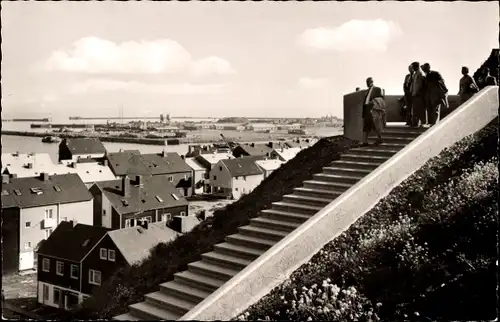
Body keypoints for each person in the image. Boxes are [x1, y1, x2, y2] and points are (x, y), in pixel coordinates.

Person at [361, 77, 384, 146]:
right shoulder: (367, 91)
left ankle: (380, 139)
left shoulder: (377, 89)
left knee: (375, 125)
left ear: (370, 82)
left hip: (373, 109)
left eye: (367, 82)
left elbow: (381, 99)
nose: (366, 84)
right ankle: (365, 142)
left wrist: (373, 102)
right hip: (367, 109)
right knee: (366, 126)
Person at [410, 62, 426, 127]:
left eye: (413, 67)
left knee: (420, 109)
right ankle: (415, 123)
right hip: (415, 94)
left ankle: (423, 123)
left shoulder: (420, 74)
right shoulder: (415, 74)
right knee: (415, 110)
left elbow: (420, 85)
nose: (412, 68)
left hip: (419, 95)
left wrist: (418, 92)